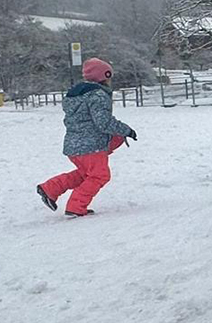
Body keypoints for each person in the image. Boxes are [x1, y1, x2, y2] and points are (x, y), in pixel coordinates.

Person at [36, 57, 137, 218]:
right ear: (105, 75)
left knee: (86, 175)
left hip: (74, 146)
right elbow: (103, 122)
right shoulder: (98, 95)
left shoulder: (76, 94)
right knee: (100, 175)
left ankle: (50, 188)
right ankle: (76, 207)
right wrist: (126, 130)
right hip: (91, 146)